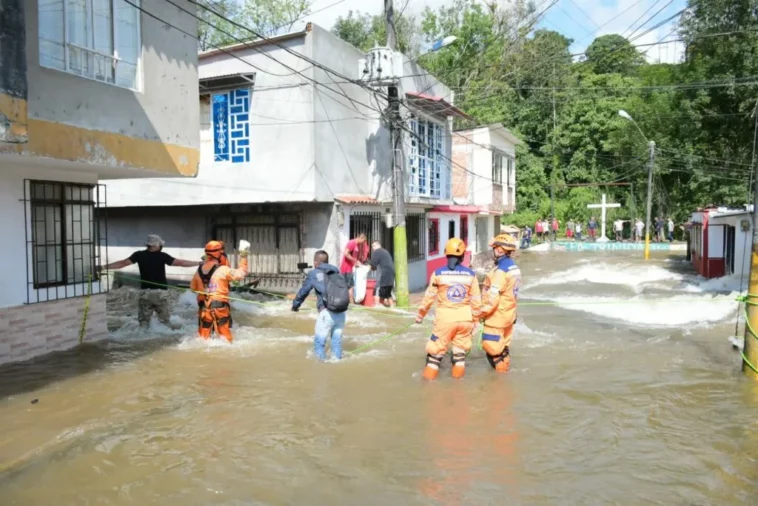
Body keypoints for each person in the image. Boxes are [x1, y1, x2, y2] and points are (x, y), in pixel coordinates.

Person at [99, 234, 200, 329]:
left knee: (143, 323)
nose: (161, 246)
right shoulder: (162, 256)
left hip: (145, 293)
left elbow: (122, 263)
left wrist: (103, 267)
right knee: (164, 322)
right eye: (160, 244)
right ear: (156, 245)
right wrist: (199, 263)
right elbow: (181, 263)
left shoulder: (138, 255)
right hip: (160, 293)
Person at [415, 238, 482, 380]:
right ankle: (457, 390)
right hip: (465, 320)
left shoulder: (438, 274)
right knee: (459, 356)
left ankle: (426, 389)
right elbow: (476, 301)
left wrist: (420, 315)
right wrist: (476, 321)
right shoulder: (471, 275)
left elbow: (429, 297)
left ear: (446, 254)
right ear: (463, 255)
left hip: (445, 320)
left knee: (434, 357)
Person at [292, 250, 349, 362]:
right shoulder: (337, 273)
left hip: (327, 313)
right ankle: (336, 366)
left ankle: (321, 369)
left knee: (319, 343)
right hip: (341, 313)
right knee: (336, 343)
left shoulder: (314, 274)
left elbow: (304, 291)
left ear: (316, 262)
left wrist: (295, 305)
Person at [192, 240, 251, 343]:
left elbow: (193, 288)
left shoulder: (199, 270)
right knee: (226, 339)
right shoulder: (223, 269)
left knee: (203, 338)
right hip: (219, 307)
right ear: (219, 253)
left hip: (204, 307)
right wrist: (244, 257)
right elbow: (241, 274)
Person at [479, 234, 521, 373]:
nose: (493, 251)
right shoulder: (513, 268)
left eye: (494, 248)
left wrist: (481, 313)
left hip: (497, 317)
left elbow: (493, 297)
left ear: (500, 250)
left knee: (492, 350)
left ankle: (499, 384)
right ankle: (506, 376)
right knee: (503, 348)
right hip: (509, 315)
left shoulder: (500, 272)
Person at [339, 233, 370, 302]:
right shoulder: (352, 243)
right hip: (346, 268)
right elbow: (346, 253)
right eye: (363, 240)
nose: (363, 242)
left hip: (350, 268)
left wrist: (356, 262)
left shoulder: (357, 245)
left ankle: (349, 302)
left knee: (349, 286)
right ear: (360, 238)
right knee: (350, 286)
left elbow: (353, 256)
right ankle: (351, 302)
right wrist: (354, 260)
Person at [369, 240, 395, 307]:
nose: (373, 248)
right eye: (372, 247)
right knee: (388, 293)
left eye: (373, 246)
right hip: (391, 275)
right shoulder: (385, 251)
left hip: (383, 276)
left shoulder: (376, 252)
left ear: (378, 245)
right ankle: (392, 307)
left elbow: (373, 265)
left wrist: (368, 267)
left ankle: (377, 306)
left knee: (376, 291)